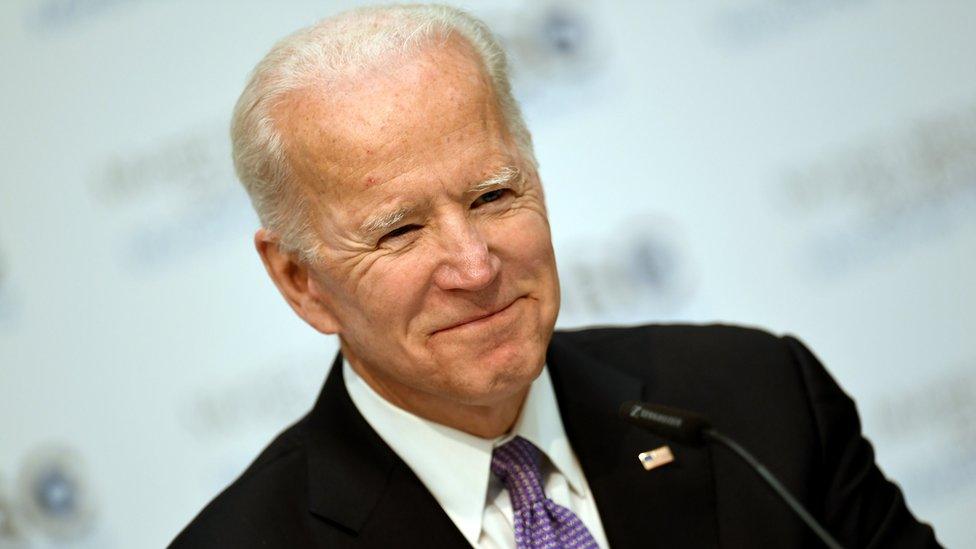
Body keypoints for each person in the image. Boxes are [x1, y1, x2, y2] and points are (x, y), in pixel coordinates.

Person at [171, 5, 939, 548]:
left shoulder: (758, 404)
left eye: (494, 195)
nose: (474, 267)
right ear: (300, 280)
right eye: (400, 230)